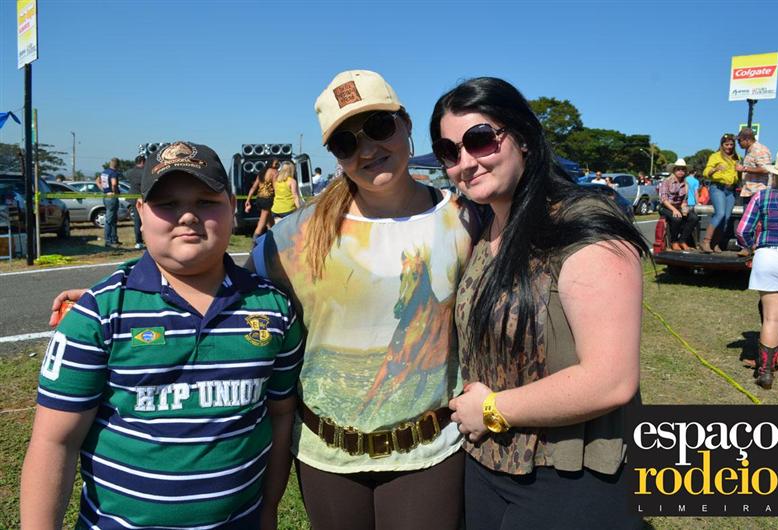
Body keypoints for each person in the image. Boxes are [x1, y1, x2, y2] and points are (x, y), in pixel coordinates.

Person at [22, 141, 303, 529]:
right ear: (140, 212)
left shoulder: (273, 308)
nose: (187, 215)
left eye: (206, 202)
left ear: (231, 206)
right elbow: (55, 442)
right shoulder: (100, 313)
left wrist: (269, 509)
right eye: (167, 204)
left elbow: (281, 415)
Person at [250, 69, 478, 529]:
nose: (368, 149)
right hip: (326, 457)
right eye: (346, 143)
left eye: (378, 126)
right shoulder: (291, 238)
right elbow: (234, 303)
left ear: (405, 123)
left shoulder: (465, 220)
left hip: (429, 455)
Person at [430, 77, 648, 529]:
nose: (465, 162)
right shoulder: (486, 228)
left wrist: (492, 410)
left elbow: (611, 380)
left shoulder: (584, 226)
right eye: (449, 151)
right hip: (486, 464)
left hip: (570, 474)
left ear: (524, 137)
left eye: (480, 139)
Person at [736, 148, 778, 391]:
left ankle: (765, 373)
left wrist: (751, 247)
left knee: (773, 318)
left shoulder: (761, 196)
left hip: (766, 257)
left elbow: (742, 230)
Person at [701, 133, 740, 253]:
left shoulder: (736, 157)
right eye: (726, 144)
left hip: (731, 190)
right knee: (720, 214)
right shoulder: (715, 156)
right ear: (722, 144)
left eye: (731, 144)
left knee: (727, 218)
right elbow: (705, 172)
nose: (729, 147)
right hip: (718, 188)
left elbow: (738, 175)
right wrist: (715, 169)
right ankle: (706, 241)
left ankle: (715, 243)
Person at [659, 158, 699, 250]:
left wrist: (684, 207)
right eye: (678, 169)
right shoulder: (666, 181)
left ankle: (682, 240)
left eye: (683, 170)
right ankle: (674, 241)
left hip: (678, 206)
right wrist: (674, 210)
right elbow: (664, 199)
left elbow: (684, 200)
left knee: (694, 218)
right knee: (677, 218)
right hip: (666, 207)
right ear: (674, 170)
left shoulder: (686, 184)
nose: (681, 171)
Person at [244, 159, 278, 239]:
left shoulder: (261, 173)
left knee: (270, 223)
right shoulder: (274, 172)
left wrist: (248, 200)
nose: (278, 165)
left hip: (260, 199)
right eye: (276, 164)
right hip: (268, 199)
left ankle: (272, 240)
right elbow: (276, 187)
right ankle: (254, 243)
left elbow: (253, 187)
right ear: (271, 164)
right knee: (261, 224)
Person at [736, 127, 773, 201]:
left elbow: (765, 169)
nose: (738, 143)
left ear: (747, 140)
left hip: (758, 193)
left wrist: (744, 169)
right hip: (750, 191)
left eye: (739, 140)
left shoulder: (760, 150)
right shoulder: (750, 150)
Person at [97, 157, 122, 247]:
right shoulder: (113, 173)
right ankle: (108, 241)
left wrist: (104, 190)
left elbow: (97, 181)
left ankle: (114, 239)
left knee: (113, 219)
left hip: (106, 196)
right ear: (117, 165)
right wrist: (115, 192)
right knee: (110, 220)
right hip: (112, 197)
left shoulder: (104, 172)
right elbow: (114, 184)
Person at [124, 154, 146, 249]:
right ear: (142, 162)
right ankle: (146, 240)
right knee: (146, 221)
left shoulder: (129, 172)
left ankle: (138, 241)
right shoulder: (145, 172)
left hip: (133, 198)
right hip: (143, 198)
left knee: (137, 221)